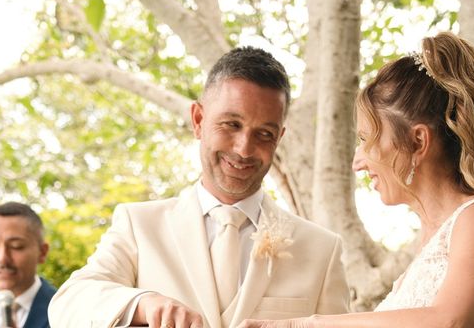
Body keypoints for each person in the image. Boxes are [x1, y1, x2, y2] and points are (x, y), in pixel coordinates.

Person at [239, 32, 474, 328]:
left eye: (366, 139)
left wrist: (301, 325)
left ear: (418, 142)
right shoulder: (429, 245)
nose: (358, 162)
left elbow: (451, 322)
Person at [48, 47, 350, 328]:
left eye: (264, 133)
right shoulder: (138, 225)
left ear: (279, 137)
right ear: (198, 120)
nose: (244, 149)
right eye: (231, 124)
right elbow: (68, 304)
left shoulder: (322, 249)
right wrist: (145, 304)